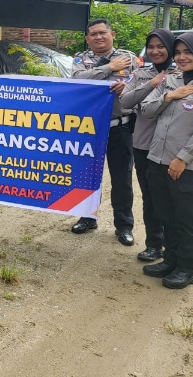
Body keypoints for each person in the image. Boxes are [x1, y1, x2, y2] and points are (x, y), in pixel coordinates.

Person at [139, 31, 193, 289]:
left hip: (188, 167)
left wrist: (183, 158)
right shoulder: (170, 80)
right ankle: (171, 259)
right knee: (165, 215)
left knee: (185, 219)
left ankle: (187, 268)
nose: (182, 57)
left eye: (188, 52)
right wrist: (170, 96)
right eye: (178, 53)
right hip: (157, 160)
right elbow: (146, 109)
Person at [71, 18, 139, 244]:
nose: (98, 37)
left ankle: (124, 226)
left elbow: (141, 85)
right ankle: (87, 217)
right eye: (93, 34)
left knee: (122, 180)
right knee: (87, 177)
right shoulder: (82, 59)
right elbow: (78, 81)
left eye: (103, 33)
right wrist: (110, 68)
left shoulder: (129, 59)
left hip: (119, 127)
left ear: (113, 34)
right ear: (87, 38)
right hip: (90, 129)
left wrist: (126, 86)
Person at [119, 29, 175, 262]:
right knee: (150, 197)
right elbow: (125, 101)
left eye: (160, 46)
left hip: (173, 147)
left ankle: (175, 250)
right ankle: (154, 244)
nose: (155, 51)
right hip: (144, 145)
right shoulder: (141, 74)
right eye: (150, 47)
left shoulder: (184, 73)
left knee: (173, 199)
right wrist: (152, 83)